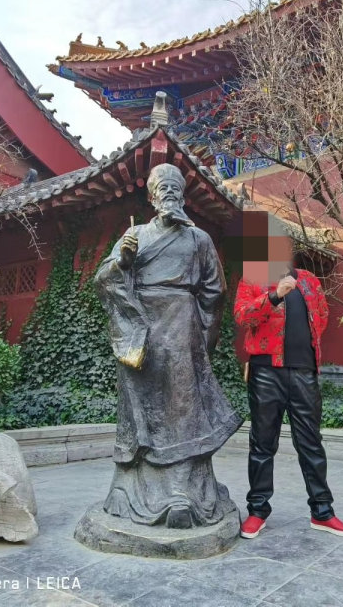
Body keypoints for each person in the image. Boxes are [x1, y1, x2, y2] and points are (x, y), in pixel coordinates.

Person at [93, 163, 242, 529]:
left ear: (183, 196)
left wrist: (202, 340)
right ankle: (131, 490)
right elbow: (103, 279)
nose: (169, 192)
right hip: (140, 329)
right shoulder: (135, 235)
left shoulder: (199, 239)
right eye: (162, 187)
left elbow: (215, 292)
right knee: (140, 410)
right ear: (151, 196)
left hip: (182, 327)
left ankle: (183, 493)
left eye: (175, 186)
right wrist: (123, 261)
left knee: (183, 410)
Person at [233, 213, 343, 538]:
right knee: (262, 444)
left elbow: (322, 316)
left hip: (304, 372)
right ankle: (257, 510)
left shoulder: (309, 281)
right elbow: (243, 316)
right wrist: (274, 296)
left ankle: (323, 512)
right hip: (266, 373)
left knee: (311, 443)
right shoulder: (253, 279)